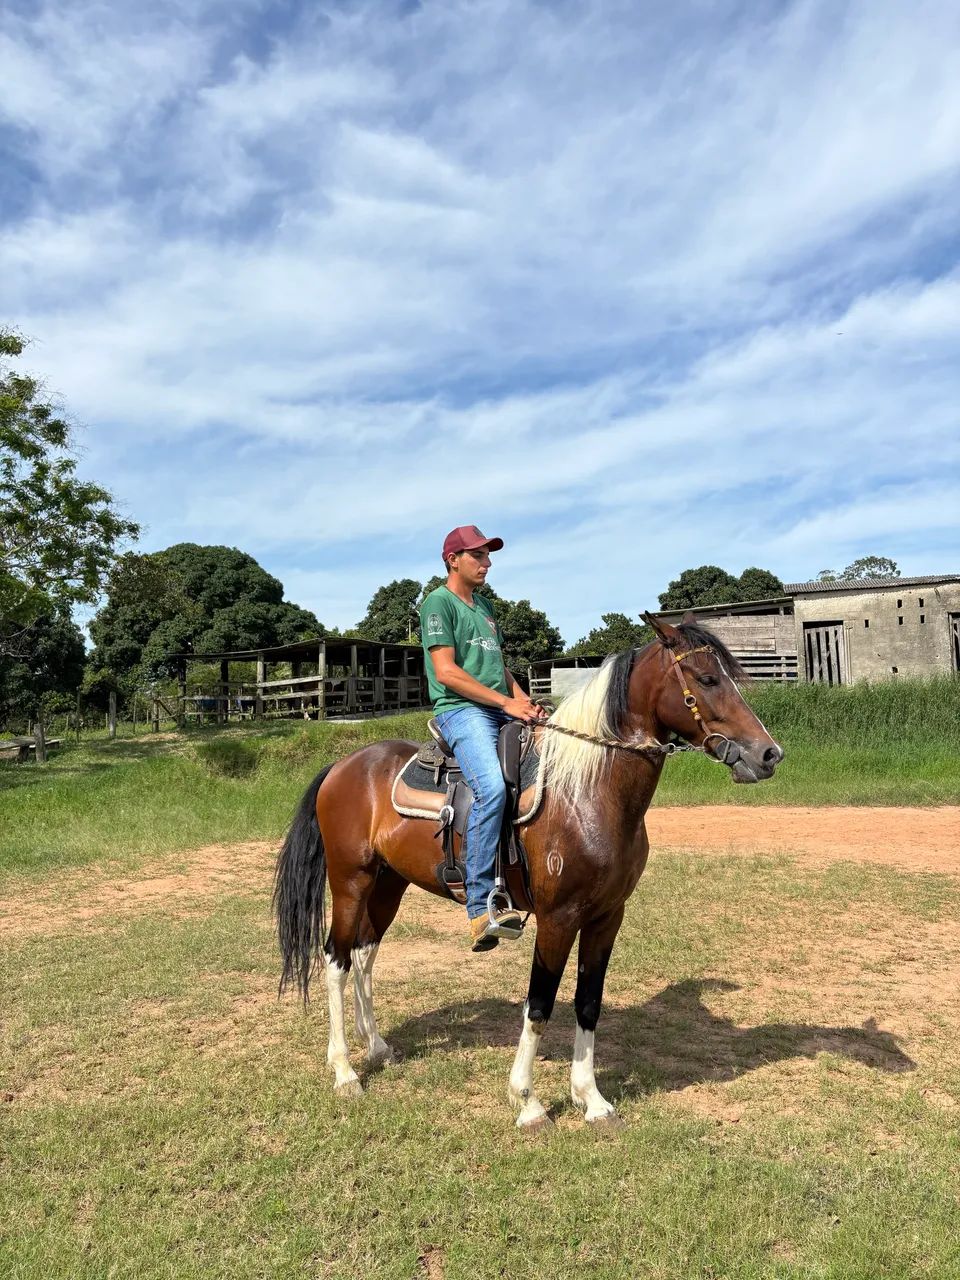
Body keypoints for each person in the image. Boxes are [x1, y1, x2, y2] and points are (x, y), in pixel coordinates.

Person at [419, 525, 547, 952]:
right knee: (491, 788)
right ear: (453, 559)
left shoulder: (486, 607)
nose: (487, 563)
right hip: (461, 711)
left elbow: (498, 668)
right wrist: (505, 705)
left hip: (496, 705)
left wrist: (525, 702)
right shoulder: (438, 603)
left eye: (488, 556)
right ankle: (479, 907)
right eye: (478, 555)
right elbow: (447, 672)